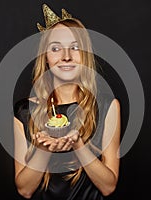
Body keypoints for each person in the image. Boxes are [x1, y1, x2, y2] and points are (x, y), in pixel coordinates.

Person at [13, 4, 121, 199]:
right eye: (56, 48)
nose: (66, 57)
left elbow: (108, 186)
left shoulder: (107, 106)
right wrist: (43, 151)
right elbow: (24, 190)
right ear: (45, 57)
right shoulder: (25, 111)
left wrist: (79, 146)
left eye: (75, 47)